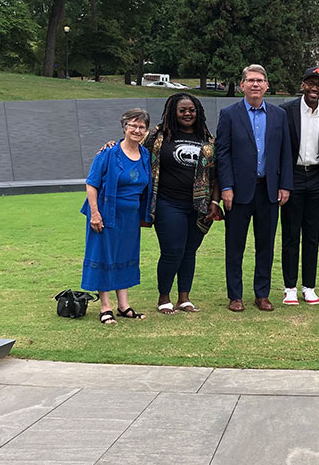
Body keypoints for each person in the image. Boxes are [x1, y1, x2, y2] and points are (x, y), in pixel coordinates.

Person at [216, 64, 294, 312]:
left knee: (266, 246)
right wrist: (226, 187)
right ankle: (235, 296)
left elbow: (285, 153)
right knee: (235, 246)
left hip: (269, 190)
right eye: (250, 80)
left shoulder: (278, 115)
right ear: (242, 85)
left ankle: (262, 294)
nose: (255, 84)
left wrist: (285, 185)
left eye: (260, 80)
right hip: (238, 192)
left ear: (267, 85)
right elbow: (223, 153)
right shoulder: (229, 114)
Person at [143, 93, 221, 314]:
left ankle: (184, 298)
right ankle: (164, 297)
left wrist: (214, 202)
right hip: (168, 202)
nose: (188, 113)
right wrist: (111, 145)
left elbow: (217, 175)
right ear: (172, 113)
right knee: (172, 250)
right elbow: (131, 147)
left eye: (192, 110)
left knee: (190, 251)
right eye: (182, 110)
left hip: (198, 205)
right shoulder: (158, 136)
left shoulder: (208, 140)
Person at [81, 108, 152, 325]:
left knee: (125, 257)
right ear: (124, 127)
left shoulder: (146, 155)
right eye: (133, 125)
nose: (137, 130)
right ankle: (105, 307)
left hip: (131, 217)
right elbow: (91, 183)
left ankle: (124, 306)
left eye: (141, 127)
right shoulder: (108, 153)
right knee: (105, 256)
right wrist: (95, 213)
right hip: (105, 214)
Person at [279, 67, 319, 306]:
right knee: (291, 235)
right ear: (303, 84)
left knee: (312, 235)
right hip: (292, 176)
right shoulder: (286, 111)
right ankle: (290, 287)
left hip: (317, 177)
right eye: (310, 83)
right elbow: (281, 148)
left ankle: (309, 287)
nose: (315, 88)